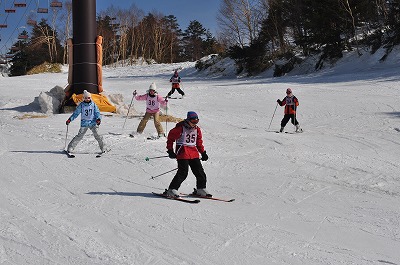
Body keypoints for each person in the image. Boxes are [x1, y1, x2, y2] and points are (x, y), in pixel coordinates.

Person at [164, 111, 211, 198]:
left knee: (200, 172)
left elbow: (199, 142)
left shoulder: (197, 130)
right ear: (188, 120)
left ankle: (201, 189)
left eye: (196, 122)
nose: (194, 124)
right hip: (183, 153)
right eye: (193, 121)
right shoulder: (180, 128)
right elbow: (170, 139)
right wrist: (170, 151)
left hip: (194, 153)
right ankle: (172, 190)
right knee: (183, 173)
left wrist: (203, 153)